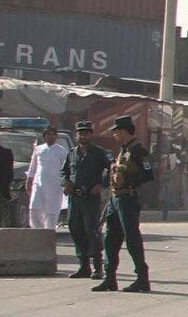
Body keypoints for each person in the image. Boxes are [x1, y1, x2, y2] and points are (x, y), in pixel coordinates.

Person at [93, 116, 154, 293]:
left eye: (116, 131)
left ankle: (142, 278)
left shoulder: (139, 151)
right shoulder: (123, 150)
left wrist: (129, 179)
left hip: (128, 197)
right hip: (115, 198)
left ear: (124, 131)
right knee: (110, 238)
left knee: (132, 238)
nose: (114, 135)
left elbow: (148, 174)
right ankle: (110, 278)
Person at [62, 121, 112, 280]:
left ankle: (98, 267)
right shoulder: (72, 153)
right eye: (80, 133)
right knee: (75, 229)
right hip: (75, 197)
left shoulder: (100, 153)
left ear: (91, 135)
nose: (83, 136)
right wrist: (66, 182)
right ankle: (83, 266)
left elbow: (113, 168)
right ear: (76, 135)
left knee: (92, 231)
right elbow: (64, 171)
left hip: (90, 197)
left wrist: (102, 184)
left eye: (86, 133)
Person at [22, 125, 69, 231]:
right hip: (38, 184)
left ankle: (49, 232)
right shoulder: (38, 149)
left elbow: (66, 170)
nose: (51, 137)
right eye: (48, 134)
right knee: (34, 208)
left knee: (51, 211)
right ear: (44, 136)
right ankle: (38, 232)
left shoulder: (62, 151)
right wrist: (29, 180)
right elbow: (33, 167)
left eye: (53, 135)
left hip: (55, 186)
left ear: (56, 137)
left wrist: (66, 183)